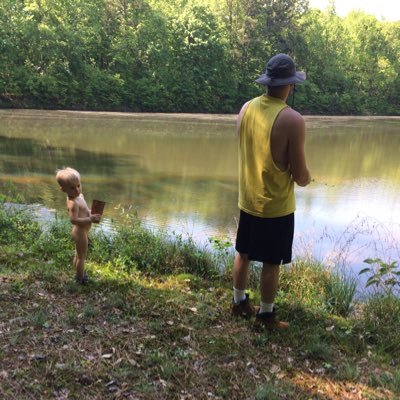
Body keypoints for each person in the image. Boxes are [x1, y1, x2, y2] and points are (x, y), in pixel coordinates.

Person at [231, 53, 311, 329]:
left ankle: (238, 302)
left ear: (267, 82)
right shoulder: (292, 119)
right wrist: (308, 178)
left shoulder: (246, 108)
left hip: (247, 199)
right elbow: (300, 176)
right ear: (290, 85)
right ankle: (265, 316)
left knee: (243, 251)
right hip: (275, 204)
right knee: (271, 261)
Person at [55, 167, 101, 284]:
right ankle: (80, 279)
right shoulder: (72, 202)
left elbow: (85, 210)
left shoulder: (80, 197)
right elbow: (73, 220)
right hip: (79, 232)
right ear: (63, 189)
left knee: (78, 254)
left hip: (84, 231)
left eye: (78, 186)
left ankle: (77, 273)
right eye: (72, 188)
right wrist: (90, 218)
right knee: (81, 257)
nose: (77, 190)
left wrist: (92, 212)